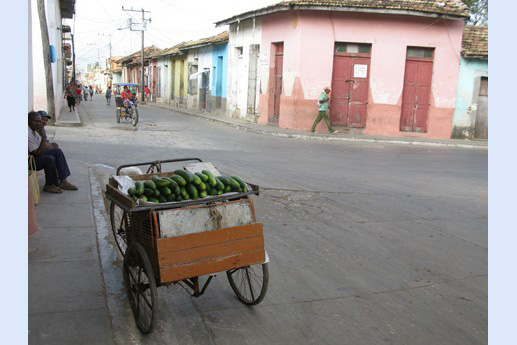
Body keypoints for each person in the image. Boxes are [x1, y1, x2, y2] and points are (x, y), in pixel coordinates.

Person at [28, 111, 78, 193]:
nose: (38, 124)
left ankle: (63, 181)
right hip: (30, 160)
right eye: (35, 121)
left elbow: (42, 145)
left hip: (34, 155)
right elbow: (38, 152)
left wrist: (50, 146)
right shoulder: (28, 132)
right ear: (28, 121)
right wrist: (43, 136)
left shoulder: (34, 130)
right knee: (49, 159)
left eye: (39, 121)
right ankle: (49, 185)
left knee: (57, 152)